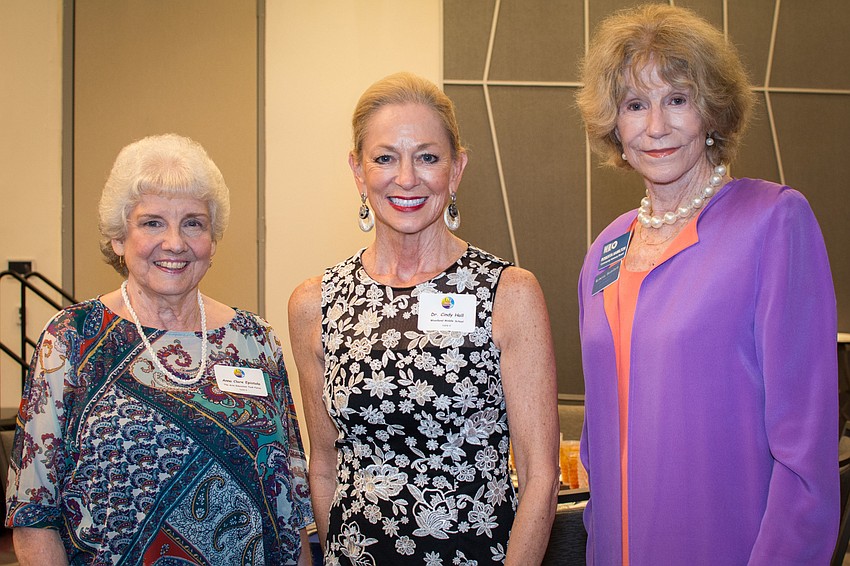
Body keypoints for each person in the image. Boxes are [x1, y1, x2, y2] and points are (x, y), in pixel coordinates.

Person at [575, 4, 838, 564]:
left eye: (677, 99)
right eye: (634, 105)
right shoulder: (605, 249)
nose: (655, 126)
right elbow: (598, 442)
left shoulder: (773, 222)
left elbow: (804, 448)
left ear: (713, 111)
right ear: (613, 125)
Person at [288, 72, 560, 565]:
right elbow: (324, 465)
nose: (407, 178)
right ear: (357, 170)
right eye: (385, 157)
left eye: (428, 157)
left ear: (456, 170)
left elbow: (541, 477)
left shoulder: (509, 294)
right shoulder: (315, 303)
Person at [5, 134, 314, 565]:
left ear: (212, 239)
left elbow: (290, 502)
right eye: (152, 222)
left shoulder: (255, 340)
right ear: (118, 238)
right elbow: (33, 512)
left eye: (193, 222)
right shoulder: (72, 339)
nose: (175, 242)